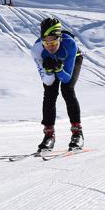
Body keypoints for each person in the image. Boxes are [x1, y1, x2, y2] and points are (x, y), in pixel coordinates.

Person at [31, 16, 84, 152]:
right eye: (46, 43)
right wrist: (49, 71)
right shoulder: (37, 50)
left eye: (54, 42)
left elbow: (66, 79)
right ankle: (49, 135)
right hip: (51, 64)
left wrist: (59, 69)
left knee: (67, 89)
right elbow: (48, 82)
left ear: (60, 38)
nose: (50, 47)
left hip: (72, 59)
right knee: (50, 93)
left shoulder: (70, 44)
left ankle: (77, 133)